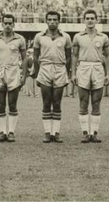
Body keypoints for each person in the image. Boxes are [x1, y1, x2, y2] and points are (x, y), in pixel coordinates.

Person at [71, 9, 109, 143]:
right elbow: (75, 56)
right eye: (87, 18)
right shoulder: (78, 36)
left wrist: (108, 74)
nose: (90, 20)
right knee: (83, 101)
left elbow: (107, 56)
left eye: (92, 18)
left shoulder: (103, 37)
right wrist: (73, 73)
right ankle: (85, 133)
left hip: (98, 67)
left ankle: (94, 133)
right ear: (84, 20)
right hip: (83, 67)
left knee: (96, 101)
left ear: (96, 20)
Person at [33, 11, 72, 143]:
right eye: (50, 19)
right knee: (46, 101)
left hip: (60, 68)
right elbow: (35, 56)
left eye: (55, 19)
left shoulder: (65, 37)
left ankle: (56, 132)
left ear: (59, 21)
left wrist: (66, 72)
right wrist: (38, 73)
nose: (52, 22)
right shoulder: (39, 37)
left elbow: (68, 57)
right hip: (45, 68)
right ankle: (47, 133)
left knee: (57, 102)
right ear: (46, 21)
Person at [0, 14, 27, 142]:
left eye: (10, 23)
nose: (8, 25)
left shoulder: (19, 39)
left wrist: (24, 75)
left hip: (13, 71)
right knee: (0, 104)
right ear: (2, 24)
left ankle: (11, 132)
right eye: (6, 23)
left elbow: (24, 57)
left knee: (12, 104)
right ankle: (2, 131)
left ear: (14, 24)